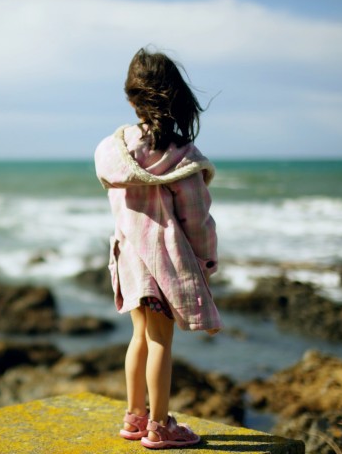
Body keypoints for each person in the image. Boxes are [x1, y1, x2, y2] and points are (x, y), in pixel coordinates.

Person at [94, 47, 222, 449]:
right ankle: (160, 425)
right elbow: (196, 218)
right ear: (176, 97)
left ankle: (135, 416)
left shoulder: (116, 151)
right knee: (161, 342)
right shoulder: (181, 156)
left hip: (128, 256)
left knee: (139, 336)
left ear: (132, 98)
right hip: (163, 261)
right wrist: (205, 259)